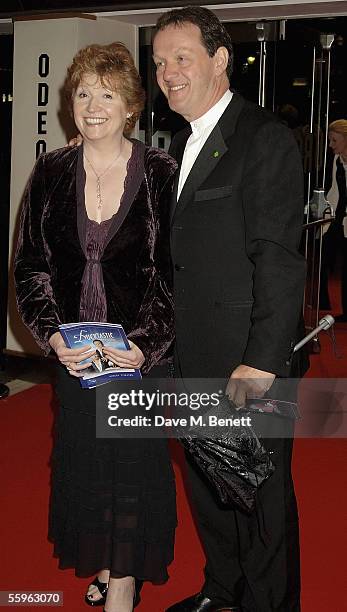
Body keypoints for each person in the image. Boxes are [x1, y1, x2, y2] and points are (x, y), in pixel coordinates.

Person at [152, 7, 307, 612]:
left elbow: (277, 256)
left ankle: (269, 605)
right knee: (211, 489)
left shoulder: (261, 135)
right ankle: (223, 591)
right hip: (191, 357)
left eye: (181, 57)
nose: (168, 72)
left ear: (221, 59)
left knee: (262, 500)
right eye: (161, 62)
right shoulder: (179, 145)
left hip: (247, 363)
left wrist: (263, 361)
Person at [14, 42, 177, 612]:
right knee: (87, 463)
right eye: (83, 93)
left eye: (106, 94)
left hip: (136, 359)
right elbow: (31, 267)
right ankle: (108, 564)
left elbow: (176, 274)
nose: (92, 104)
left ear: (130, 105)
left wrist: (145, 344)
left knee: (130, 465)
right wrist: (55, 337)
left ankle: (126, 585)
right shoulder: (51, 170)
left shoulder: (160, 173)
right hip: (77, 360)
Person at [324, 119, 347, 321]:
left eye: (334, 140)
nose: (331, 145)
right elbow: (334, 192)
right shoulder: (337, 161)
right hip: (341, 219)